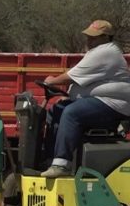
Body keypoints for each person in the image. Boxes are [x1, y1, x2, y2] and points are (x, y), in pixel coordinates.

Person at [41, 20, 130, 178]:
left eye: (93, 37)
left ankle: (62, 165)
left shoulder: (106, 52)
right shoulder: (97, 52)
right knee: (55, 111)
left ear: (106, 37)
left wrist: (51, 81)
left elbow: (71, 76)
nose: (89, 40)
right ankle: (49, 159)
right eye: (88, 36)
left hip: (113, 105)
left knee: (71, 112)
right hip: (100, 101)